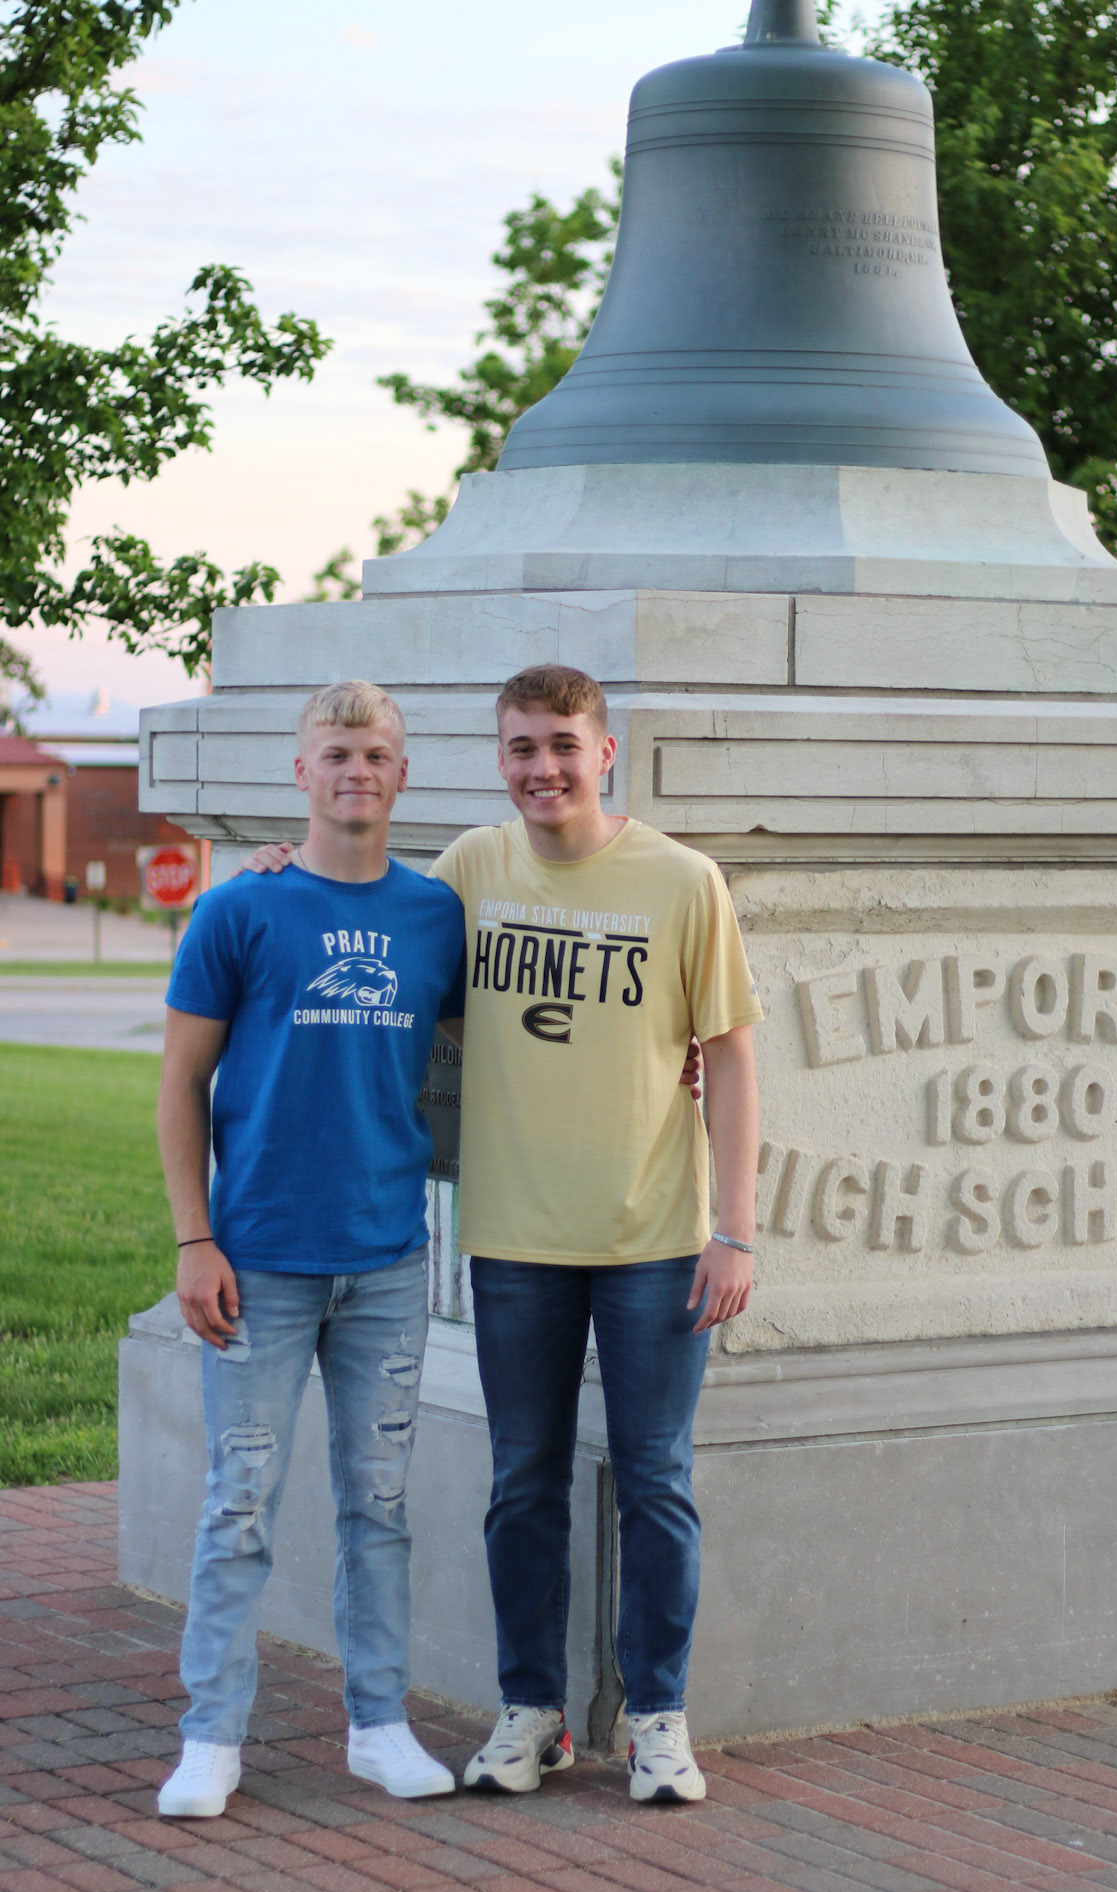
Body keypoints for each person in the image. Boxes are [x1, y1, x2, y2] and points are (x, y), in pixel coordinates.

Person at [437, 664, 761, 1804]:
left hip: (656, 1240)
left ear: (606, 751)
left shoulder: (682, 880)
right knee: (523, 1479)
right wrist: (282, 869)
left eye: (564, 744)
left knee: (656, 1479)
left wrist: (737, 1228)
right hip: (516, 1237)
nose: (544, 767)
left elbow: (726, 1053)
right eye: (522, 746)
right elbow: (373, 925)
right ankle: (533, 1709)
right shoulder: (474, 866)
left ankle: (659, 1715)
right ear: (500, 759)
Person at [154, 680, 466, 1820]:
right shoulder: (241, 911)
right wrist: (196, 1237)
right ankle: (210, 1734)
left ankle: (377, 1723)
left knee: (377, 1504)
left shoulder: (437, 916)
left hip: (386, 1261)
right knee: (239, 1500)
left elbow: (536, 1039)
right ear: (302, 772)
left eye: (377, 752)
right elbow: (181, 1084)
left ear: (399, 772)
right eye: (336, 751)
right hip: (261, 1261)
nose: (357, 769)